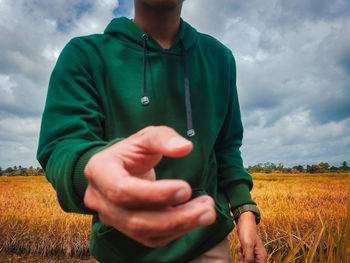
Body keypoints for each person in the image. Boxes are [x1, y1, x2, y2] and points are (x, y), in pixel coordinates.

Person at [37, 0, 267, 262]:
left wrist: (245, 211)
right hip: (120, 250)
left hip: (207, 243)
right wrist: (90, 171)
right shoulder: (84, 54)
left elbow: (226, 146)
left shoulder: (219, 58)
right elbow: (61, 145)